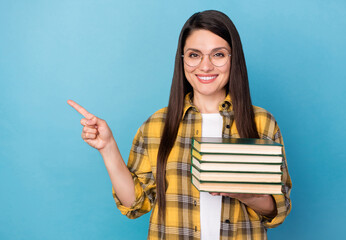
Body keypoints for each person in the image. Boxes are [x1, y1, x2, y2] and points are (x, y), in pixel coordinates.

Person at [68, 10, 291, 240]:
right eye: (195, 55)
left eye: (218, 54)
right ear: (182, 59)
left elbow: (277, 210)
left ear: (233, 59)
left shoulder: (262, 123)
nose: (205, 66)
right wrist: (108, 148)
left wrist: (246, 195)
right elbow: (135, 203)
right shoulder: (156, 126)